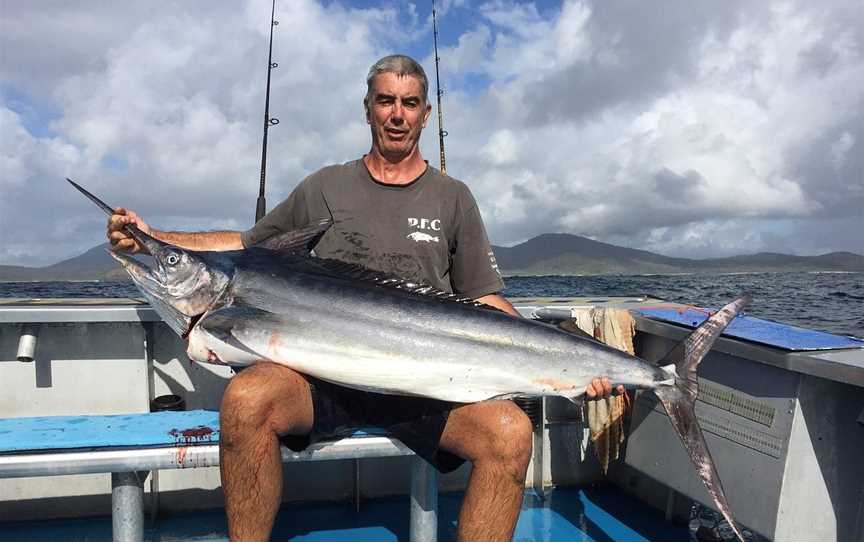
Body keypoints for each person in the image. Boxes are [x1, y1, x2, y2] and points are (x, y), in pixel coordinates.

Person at [108, 54, 619, 542]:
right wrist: (155, 238)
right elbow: (242, 245)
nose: (397, 115)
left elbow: (485, 299)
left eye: (410, 103)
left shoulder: (453, 197)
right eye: (385, 101)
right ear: (367, 107)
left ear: (425, 114)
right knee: (245, 400)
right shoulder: (324, 187)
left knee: (510, 432)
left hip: (425, 383)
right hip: (321, 377)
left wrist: (578, 362)